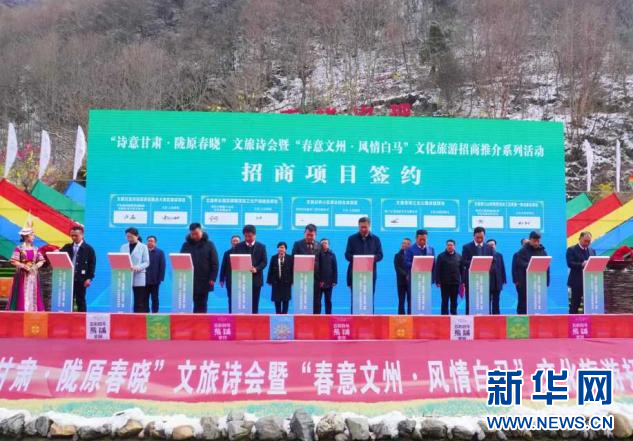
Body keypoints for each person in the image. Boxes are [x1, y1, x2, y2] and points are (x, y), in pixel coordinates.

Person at [344, 217, 383, 312]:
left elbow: (380, 255)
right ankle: (354, 318)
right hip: (355, 273)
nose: (363, 229)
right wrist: (358, 260)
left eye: (365, 227)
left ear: (369, 226)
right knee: (355, 299)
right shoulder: (352, 239)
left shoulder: (376, 239)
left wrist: (369, 260)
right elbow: (347, 255)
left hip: (370, 273)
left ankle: (369, 319)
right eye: (361, 227)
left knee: (369, 298)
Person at [180, 223, 219, 313]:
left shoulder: (209, 244)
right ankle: (194, 320)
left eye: (196, 233)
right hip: (189, 279)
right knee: (192, 303)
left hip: (205, 279)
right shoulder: (186, 245)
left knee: (202, 303)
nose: (194, 236)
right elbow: (181, 260)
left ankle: (202, 321)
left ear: (201, 231)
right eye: (192, 234)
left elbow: (215, 263)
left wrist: (213, 278)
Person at [7, 219, 45, 311]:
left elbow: (41, 260)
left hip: (33, 275)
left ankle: (33, 310)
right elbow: (14, 261)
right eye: (32, 235)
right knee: (22, 292)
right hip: (22, 275)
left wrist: (35, 266)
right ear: (26, 236)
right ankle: (22, 310)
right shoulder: (19, 248)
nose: (34, 237)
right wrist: (25, 267)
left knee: (34, 292)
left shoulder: (36, 249)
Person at [512, 231, 550, 314]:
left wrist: (546, 282)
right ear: (530, 240)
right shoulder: (522, 251)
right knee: (523, 302)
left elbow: (547, 267)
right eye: (534, 241)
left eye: (538, 241)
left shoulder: (543, 251)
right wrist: (533, 264)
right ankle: (522, 319)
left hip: (539, 282)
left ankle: (538, 319)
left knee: (538, 303)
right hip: (524, 282)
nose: (536, 243)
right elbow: (520, 264)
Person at [60, 225, 96, 312]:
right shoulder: (67, 247)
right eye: (72, 235)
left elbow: (92, 265)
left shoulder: (89, 249)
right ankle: (67, 317)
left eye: (76, 235)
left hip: (81, 279)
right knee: (67, 300)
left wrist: (89, 278)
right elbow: (59, 257)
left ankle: (82, 318)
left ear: (82, 235)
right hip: (67, 279)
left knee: (80, 300)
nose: (73, 237)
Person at [233, 225, 267, 314]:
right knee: (242, 304)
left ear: (255, 235)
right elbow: (235, 260)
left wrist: (256, 268)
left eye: (250, 236)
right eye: (246, 236)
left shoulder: (261, 246)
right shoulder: (238, 246)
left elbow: (264, 262)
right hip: (242, 279)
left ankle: (254, 320)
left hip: (256, 279)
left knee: (255, 303)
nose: (247, 238)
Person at [461, 226, 493, 315]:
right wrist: (476, 262)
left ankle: (486, 317)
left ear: (484, 236)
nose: (479, 239)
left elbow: (493, 261)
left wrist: (485, 264)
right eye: (477, 237)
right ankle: (469, 317)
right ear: (473, 236)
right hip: (471, 278)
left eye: (481, 237)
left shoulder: (489, 247)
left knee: (485, 299)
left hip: (485, 278)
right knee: (470, 299)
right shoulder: (466, 247)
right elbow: (463, 261)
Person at [291, 224, 321, 313]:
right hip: (301, 278)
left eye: (312, 235)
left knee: (316, 302)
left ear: (315, 235)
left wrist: (322, 279)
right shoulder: (297, 244)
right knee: (302, 301)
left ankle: (316, 319)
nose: (309, 237)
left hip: (316, 278)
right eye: (307, 234)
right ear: (304, 233)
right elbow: (293, 260)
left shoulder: (319, 245)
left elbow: (322, 262)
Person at [120, 227, 150, 313]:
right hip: (125, 276)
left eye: (131, 236)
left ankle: (138, 318)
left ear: (137, 236)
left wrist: (137, 267)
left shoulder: (143, 247)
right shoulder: (123, 247)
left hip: (138, 275)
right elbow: (121, 259)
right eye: (127, 236)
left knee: (139, 301)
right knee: (124, 299)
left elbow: (146, 262)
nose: (129, 238)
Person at [566, 231, 595, 314]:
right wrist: (582, 264)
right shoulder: (571, 249)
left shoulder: (592, 250)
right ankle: (572, 320)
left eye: (589, 241)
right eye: (585, 241)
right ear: (580, 239)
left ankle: (588, 319)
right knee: (575, 304)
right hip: (576, 281)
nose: (587, 243)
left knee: (589, 304)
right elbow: (570, 263)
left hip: (589, 281)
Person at [434, 240, 462, 315]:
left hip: (455, 282)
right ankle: (444, 316)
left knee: (454, 301)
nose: (450, 246)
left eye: (451, 245)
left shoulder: (459, 256)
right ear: (446, 246)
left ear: (454, 246)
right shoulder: (441, 256)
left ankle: (454, 315)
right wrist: (437, 281)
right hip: (444, 283)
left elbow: (462, 270)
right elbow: (437, 269)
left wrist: (462, 281)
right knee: (445, 300)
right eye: (448, 245)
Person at [267, 241, 293, 314]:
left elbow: (292, 270)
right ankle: (278, 315)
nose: (281, 249)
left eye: (283, 247)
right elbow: (270, 269)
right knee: (277, 300)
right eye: (280, 247)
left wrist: (292, 281)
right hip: (276, 282)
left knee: (286, 300)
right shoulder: (273, 258)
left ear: (285, 249)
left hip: (286, 283)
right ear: (277, 248)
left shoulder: (290, 258)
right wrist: (269, 280)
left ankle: (285, 315)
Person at [219, 235, 241, 312]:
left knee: (240, 299)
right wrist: (221, 279)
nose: (235, 242)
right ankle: (231, 314)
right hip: (230, 280)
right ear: (231, 242)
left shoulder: (244, 252)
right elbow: (223, 266)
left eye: (237, 241)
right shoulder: (227, 253)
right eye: (233, 241)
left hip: (242, 279)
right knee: (231, 298)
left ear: (240, 242)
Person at [317, 238, 337, 314]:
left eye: (325, 243)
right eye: (322, 243)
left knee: (328, 300)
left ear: (328, 245)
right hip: (319, 282)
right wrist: (319, 280)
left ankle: (328, 316)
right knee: (317, 301)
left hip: (329, 282)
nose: (324, 244)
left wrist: (334, 281)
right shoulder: (317, 254)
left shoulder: (332, 254)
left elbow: (335, 268)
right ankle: (317, 316)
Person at [145, 235, 166, 313]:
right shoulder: (143, 251)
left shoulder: (160, 252)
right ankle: (146, 313)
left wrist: (161, 278)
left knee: (155, 298)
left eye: (152, 241)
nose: (150, 242)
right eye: (148, 241)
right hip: (144, 280)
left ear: (155, 243)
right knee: (145, 298)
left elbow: (162, 265)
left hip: (155, 280)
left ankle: (155, 313)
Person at [486, 239, 507, 315]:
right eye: (489, 245)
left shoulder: (499, 255)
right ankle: (487, 315)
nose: (492, 246)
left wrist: (504, 279)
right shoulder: (484, 255)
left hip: (497, 282)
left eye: (493, 245)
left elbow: (502, 267)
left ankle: (496, 316)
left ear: (495, 246)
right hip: (487, 282)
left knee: (496, 300)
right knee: (487, 301)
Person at [394, 237, 412, 314]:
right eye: (403, 243)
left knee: (410, 300)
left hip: (410, 282)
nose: (404, 245)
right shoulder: (397, 255)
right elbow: (397, 267)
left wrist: (409, 275)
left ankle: (410, 315)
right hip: (401, 281)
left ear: (410, 245)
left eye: (406, 243)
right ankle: (401, 316)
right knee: (401, 300)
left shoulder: (412, 255)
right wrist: (406, 275)